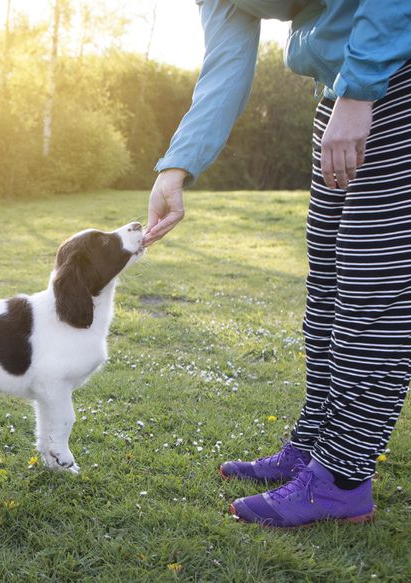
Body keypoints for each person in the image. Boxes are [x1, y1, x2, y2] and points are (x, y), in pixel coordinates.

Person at [143, 0, 411, 527]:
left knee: (370, 293)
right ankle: (314, 444)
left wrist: (359, 93)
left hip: (389, 81)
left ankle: (342, 478)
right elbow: (227, 66)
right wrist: (177, 166)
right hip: (342, 92)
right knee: (329, 292)